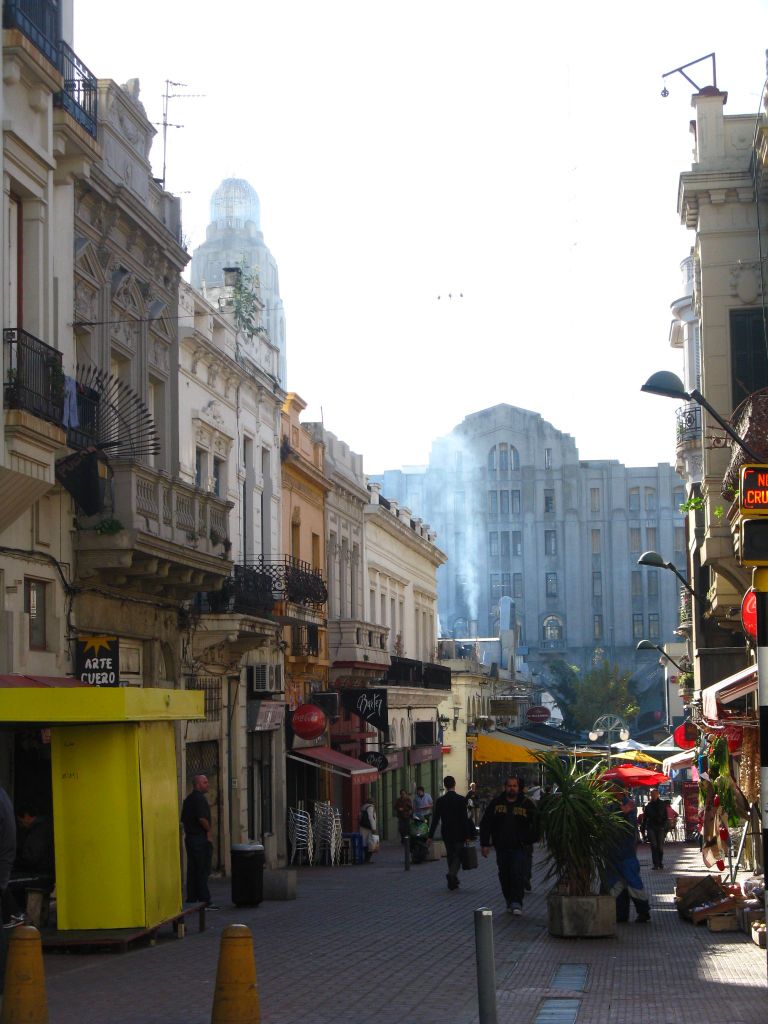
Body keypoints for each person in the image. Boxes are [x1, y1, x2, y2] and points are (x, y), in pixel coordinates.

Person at [479, 775, 539, 916]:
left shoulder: (526, 803)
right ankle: (509, 899)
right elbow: (486, 823)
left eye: (514, 786)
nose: (512, 788)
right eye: (509, 786)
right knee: (504, 874)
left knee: (517, 873)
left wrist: (532, 838)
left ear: (518, 788)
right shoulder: (496, 803)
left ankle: (517, 902)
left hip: (519, 846)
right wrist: (485, 843)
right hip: (502, 846)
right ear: (505, 787)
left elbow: (537, 821)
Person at [603, 787, 650, 923]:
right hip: (616, 852)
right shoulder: (611, 805)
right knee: (618, 884)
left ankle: (642, 912)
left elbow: (629, 827)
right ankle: (621, 914)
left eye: (612, 790)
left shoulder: (627, 805)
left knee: (632, 883)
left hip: (624, 852)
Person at [427, 776, 476, 890]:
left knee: (450, 855)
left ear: (445, 786)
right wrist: (468, 835)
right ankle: (452, 874)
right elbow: (465, 819)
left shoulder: (440, 801)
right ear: (454, 784)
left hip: (446, 832)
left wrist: (430, 836)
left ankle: (452, 881)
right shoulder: (461, 800)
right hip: (459, 832)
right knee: (458, 855)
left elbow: (435, 819)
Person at [181, 774, 216, 907]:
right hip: (199, 838)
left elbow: (184, 818)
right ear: (197, 785)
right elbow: (202, 818)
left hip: (190, 837)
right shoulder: (199, 799)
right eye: (205, 782)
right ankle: (204, 899)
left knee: (193, 868)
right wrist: (208, 831)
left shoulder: (188, 800)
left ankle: (192, 897)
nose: (208, 784)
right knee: (202, 868)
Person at [641, 787, 670, 870]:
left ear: (658, 795)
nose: (653, 796)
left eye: (655, 794)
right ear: (650, 796)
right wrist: (643, 829)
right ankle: (655, 864)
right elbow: (645, 818)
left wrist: (664, 828)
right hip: (651, 827)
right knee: (654, 845)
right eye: (652, 794)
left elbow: (665, 817)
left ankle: (660, 862)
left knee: (660, 847)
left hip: (660, 827)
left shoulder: (662, 804)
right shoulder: (648, 806)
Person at [358, 796, 378, 863]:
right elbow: (371, 818)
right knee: (371, 843)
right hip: (369, 828)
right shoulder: (370, 807)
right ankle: (367, 859)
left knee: (364, 843)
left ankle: (365, 858)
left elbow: (360, 817)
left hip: (363, 826)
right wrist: (373, 828)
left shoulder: (363, 807)